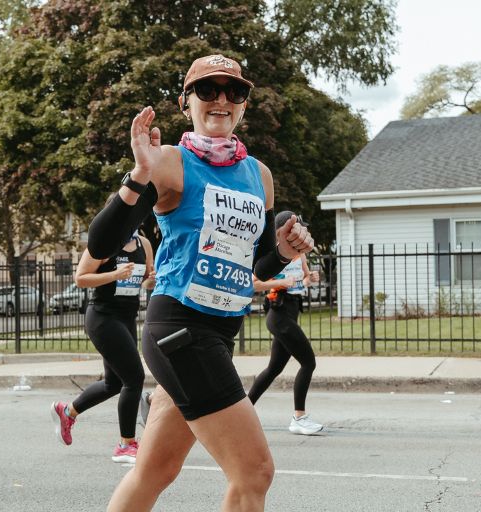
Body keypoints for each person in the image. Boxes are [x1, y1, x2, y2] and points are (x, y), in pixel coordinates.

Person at [85, 54, 314, 512]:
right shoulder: (170, 162)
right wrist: (138, 176)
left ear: (244, 105)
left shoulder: (259, 175)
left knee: (153, 472)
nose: (221, 101)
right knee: (254, 472)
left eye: (234, 92)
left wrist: (287, 251)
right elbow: (103, 241)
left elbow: (259, 265)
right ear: (186, 102)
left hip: (219, 332)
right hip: (180, 330)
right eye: (207, 91)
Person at [51, 217, 155, 463]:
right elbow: (80, 278)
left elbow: (145, 278)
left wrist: (152, 278)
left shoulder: (144, 244)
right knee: (134, 378)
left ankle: (67, 412)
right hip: (103, 317)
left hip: (127, 316)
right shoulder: (104, 243)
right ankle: (126, 444)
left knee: (113, 383)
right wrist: (114, 274)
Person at [247, 211, 323, 435]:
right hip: (278, 313)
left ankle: (243, 412)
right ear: (281, 231)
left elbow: (304, 280)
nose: (300, 233)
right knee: (308, 362)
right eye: (296, 228)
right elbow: (253, 284)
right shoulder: (271, 254)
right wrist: (279, 283)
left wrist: (311, 280)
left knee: (273, 369)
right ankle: (299, 417)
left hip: (292, 310)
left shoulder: (300, 254)